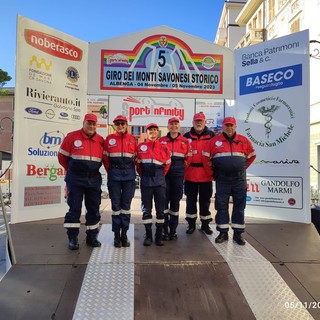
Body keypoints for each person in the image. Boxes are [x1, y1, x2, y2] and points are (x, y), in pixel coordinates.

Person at [58, 113, 104, 250]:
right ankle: (73, 238)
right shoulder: (72, 137)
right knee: (74, 208)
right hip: (75, 178)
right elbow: (62, 157)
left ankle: (92, 237)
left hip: (94, 178)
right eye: (89, 123)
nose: (91, 126)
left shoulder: (100, 140)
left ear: (96, 125)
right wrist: (71, 170)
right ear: (83, 123)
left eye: (93, 124)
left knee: (94, 209)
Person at [210, 116, 256, 245]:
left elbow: (252, 156)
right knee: (221, 205)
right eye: (227, 125)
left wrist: (241, 168)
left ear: (235, 127)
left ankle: (237, 234)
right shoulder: (214, 141)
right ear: (223, 127)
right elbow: (206, 159)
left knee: (239, 206)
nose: (229, 128)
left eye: (231, 125)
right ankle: (223, 232)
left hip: (238, 179)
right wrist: (214, 173)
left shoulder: (243, 140)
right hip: (222, 179)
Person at [103, 115, 137, 248]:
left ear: (126, 124)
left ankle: (124, 234)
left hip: (129, 177)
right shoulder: (109, 139)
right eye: (117, 124)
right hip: (114, 177)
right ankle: (116, 235)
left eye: (122, 123)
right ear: (114, 126)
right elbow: (105, 160)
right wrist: (112, 172)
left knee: (126, 207)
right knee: (116, 207)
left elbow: (135, 159)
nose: (120, 126)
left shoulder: (133, 139)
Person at [136, 123, 171, 246]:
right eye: (150, 130)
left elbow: (167, 165)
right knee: (146, 210)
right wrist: (145, 175)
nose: (152, 132)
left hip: (160, 183)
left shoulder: (164, 148)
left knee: (160, 211)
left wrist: (159, 176)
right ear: (147, 132)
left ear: (157, 132)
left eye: (155, 130)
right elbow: (138, 166)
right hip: (146, 182)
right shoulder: (140, 147)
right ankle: (148, 235)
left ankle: (158, 236)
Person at [183, 112, 215, 235]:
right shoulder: (186, 136)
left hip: (206, 175)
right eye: (196, 121)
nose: (199, 123)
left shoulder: (212, 136)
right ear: (193, 122)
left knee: (205, 201)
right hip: (190, 174)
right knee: (190, 201)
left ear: (205, 122)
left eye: (201, 121)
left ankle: (205, 224)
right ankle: (191, 224)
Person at [159, 117, 191, 240]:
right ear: (168, 126)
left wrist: (182, 171)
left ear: (179, 126)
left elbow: (189, 158)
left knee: (175, 203)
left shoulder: (185, 141)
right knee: (164, 202)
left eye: (176, 124)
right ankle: (164, 229)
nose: (174, 126)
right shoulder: (161, 141)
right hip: (165, 176)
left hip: (178, 176)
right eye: (171, 124)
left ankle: (173, 230)